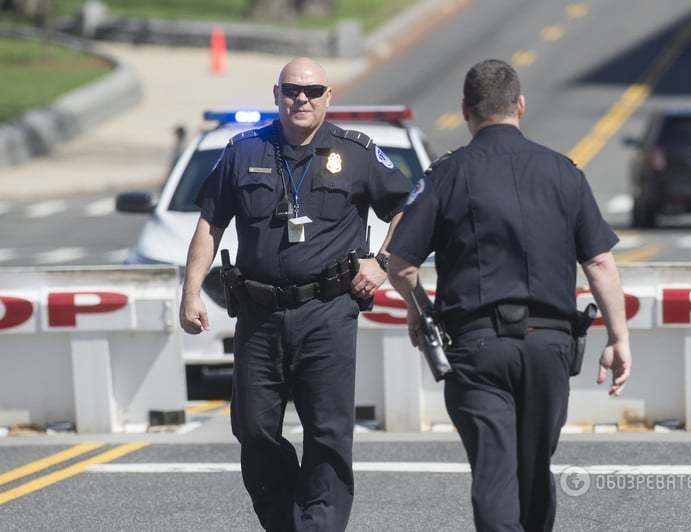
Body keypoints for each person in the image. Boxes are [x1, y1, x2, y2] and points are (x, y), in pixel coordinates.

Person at [387, 59, 632, 531]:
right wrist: (619, 339)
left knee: (495, 470)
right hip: (550, 347)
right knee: (534, 467)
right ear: (520, 105)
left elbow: (402, 266)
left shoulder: (447, 175)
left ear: (465, 110)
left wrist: (422, 314)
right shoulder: (564, 173)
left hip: (477, 349)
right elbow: (600, 262)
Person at [179, 57, 412, 531]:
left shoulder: (358, 151)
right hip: (259, 316)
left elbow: (410, 209)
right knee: (255, 430)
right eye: (291, 90)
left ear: (329, 97)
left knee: (327, 434)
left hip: (327, 313)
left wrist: (382, 262)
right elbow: (210, 222)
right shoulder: (244, 151)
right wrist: (190, 294)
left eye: (312, 90)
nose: (300, 99)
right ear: (276, 94)